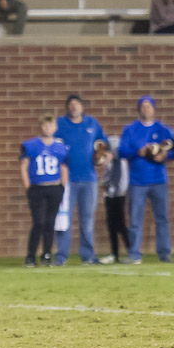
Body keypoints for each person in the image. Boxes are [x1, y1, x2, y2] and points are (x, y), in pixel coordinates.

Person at [119, 95, 174, 264]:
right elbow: (121, 151)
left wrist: (165, 155)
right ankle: (134, 254)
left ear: (154, 109)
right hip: (137, 181)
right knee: (135, 220)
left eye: (149, 106)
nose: (146, 109)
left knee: (162, 218)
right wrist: (137, 153)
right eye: (143, 106)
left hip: (158, 180)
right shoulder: (130, 129)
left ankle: (164, 252)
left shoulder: (164, 129)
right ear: (139, 109)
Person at [52, 95, 109, 266]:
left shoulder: (92, 124)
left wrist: (104, 156)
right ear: (67, 108)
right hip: (67, 180)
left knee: (87, 220)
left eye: (77, 104)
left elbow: (103, 144)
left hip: (89, 179)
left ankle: (88, 256)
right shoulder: (60, 124)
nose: (74, 107)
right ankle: (61, 257)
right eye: (71, 105)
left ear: (83, 107)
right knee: (64, 220)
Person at [20, 114, 70, 268]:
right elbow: (24, 166)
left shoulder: (61, 147)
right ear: (40, 127)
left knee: (50, 223)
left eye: (50, 125)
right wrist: (28, 186)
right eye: (45, 125)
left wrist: (62, 186)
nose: (48, 128)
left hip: (54, 187)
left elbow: (64, 168)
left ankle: (47, 255)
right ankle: (30, 256)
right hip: (37, 188)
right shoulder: (31, 145)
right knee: (38, 222)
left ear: (55, 127)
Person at [98, 135, 130, 264]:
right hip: (110, 194)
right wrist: (104, 183)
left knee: (120, 224)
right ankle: (114, 253)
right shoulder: (110, 161)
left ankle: (131, 250)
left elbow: (120, 178)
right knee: (111, 225)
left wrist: (114, 188)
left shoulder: (120, 159)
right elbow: (107, 176)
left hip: (118, 194)